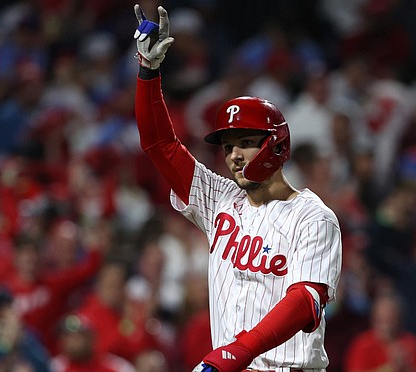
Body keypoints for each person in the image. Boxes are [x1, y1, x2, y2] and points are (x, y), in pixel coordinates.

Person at [132, 5, 343, 372]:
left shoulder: (314, 216)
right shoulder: (219, 199)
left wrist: (236, 352)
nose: (234, 156)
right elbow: (159, 145)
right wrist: (148, 73)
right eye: (229, 147)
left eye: (245, 142)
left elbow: (306, 300)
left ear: (277, 145)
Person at [344, 292, 416, 372]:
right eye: (380, 320)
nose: (385, 326)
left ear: (400, 319)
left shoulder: (413, 344)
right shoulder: (362, 344)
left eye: (390, 320)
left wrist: (405, 368)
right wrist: (391, 368)